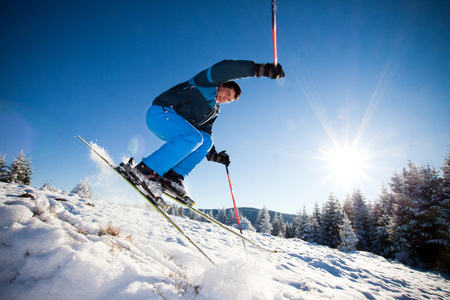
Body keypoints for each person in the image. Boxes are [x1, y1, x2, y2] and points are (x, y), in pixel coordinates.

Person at [132, 59, 285, 207]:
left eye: (229, 99)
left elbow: (205, 132)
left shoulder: (214, 111)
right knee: (193, 138)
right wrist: (261, 70)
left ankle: (173, 176)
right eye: (227, 92)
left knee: (205, 140)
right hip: (160, 112)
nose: (224, 98)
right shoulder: (206, 83)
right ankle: (145, 171)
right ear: (223, 84)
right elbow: (227, 68)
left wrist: (214, 155)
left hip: (174, 128)